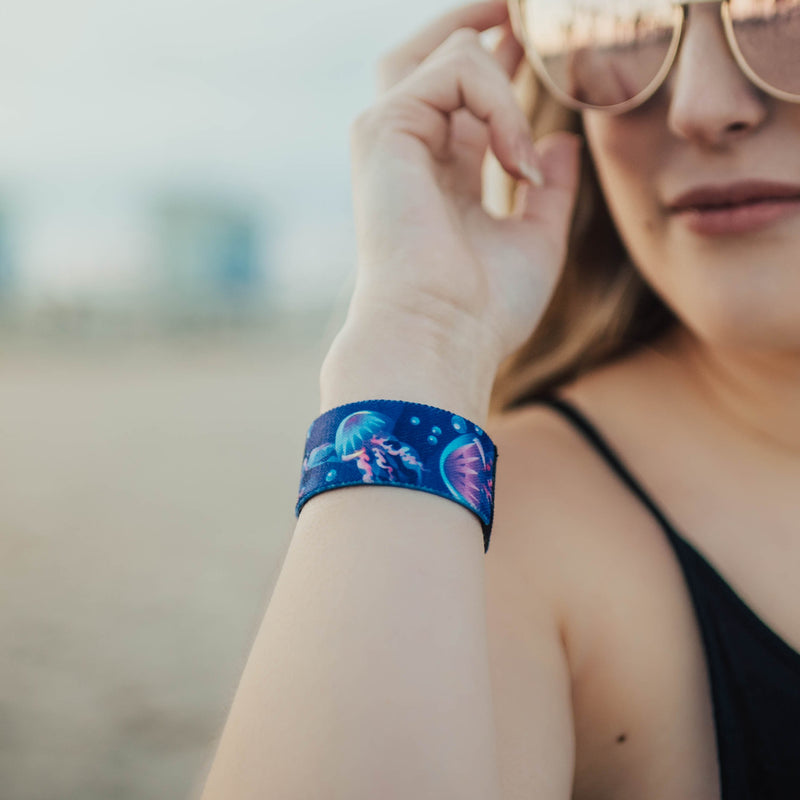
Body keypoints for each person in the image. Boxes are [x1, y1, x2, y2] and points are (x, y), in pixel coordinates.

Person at [199, 0, 800, 797]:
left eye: (780, 10)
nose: (700, 106)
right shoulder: (495, 540)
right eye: (631, 19)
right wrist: (419, 341)